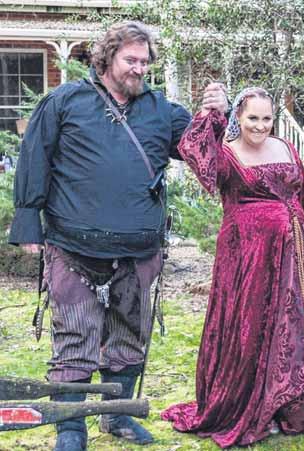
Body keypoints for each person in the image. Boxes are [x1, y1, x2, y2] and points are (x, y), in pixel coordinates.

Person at [8, 21, 228, 451]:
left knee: (129, 336)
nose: (139, 69)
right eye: (131, 60)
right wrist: (28, 219)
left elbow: (201, 151)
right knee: (74, 338)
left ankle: (117, 417)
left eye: (145, 62)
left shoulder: (161, 110)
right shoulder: (65, 101)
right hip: (73, 245)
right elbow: (35, 158)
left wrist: (217, 114)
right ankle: (71, 428)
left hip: (139, 248)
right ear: (107, 57)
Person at [160, 86, 304, 448]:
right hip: (248, 257)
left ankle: (287, 407)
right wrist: (213, 114)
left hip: (295, 256)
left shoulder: (285, 148)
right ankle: (249, 407)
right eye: (252, 118)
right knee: (251, 330)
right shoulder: (226, 153)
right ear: (238, 118)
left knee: (293, 332)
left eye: (267, 118)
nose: (260, 126)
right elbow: (195, 153)